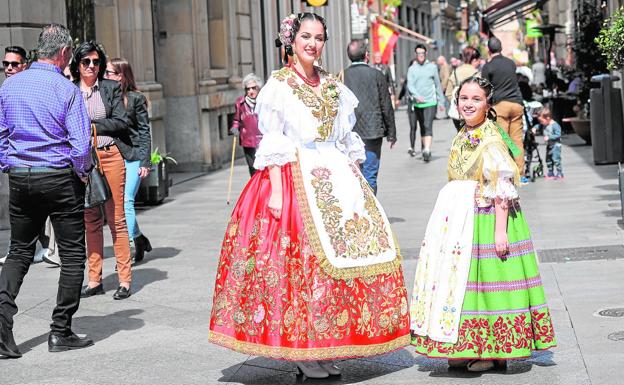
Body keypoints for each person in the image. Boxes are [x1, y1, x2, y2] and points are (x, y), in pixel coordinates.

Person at [208, 13, 410, 379]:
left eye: (318, 37)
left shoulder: (333, 85)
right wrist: (278, 192)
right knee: (299, 264)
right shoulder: (279, 85)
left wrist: (356, 179)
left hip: (335, 174)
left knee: (337, 264)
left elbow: (347, 137)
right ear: (292, 40)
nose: (312, 44)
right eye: (305, 36)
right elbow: (275, 139)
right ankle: (302, 347)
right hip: (295, 174)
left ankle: (325, 343)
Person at [409, 76, 556, 371]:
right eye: (464, 98)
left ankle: (491, 352)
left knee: (487, 281)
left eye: (476, 99)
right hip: (458, 218)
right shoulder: (465, 132)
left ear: (488, 103)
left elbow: (501, 184)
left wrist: (500, 231)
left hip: (484, 215)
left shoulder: (490, 137)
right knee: (465, 283)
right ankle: (471, 344)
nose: (468, 104)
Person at [0, 23, 94, 357]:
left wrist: (9, 163)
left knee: (19, 251)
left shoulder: (10, 86)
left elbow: (0, 134)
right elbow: (81, 145)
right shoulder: (66, 89)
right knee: (71, 254)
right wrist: (82, 173)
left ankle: (1, 323)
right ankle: (60, 330)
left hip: (21, 177)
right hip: (58, 177)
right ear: (65, 52)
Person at [72, 42, 133, 301]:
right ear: (77, 64)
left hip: (110, 158)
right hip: (82, 161)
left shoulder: (109, 88)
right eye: (86, 62)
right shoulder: (70, 90)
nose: (92, 67)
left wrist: (92, 125)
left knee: (116, 218)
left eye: (96, 62)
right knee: (90, 221)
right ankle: (94, 279)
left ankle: (124, 280)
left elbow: (122, 121)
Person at [104, 58, 153, 264]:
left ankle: (129, 249)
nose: (105, 76)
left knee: (126, 203)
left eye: (109, 73)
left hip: (133, 157)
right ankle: (139, 238)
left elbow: (144, 131)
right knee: (116, 205)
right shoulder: (105, 97)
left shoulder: (135, 99)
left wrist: (145, 162)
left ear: (121, 75)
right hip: (112, 156)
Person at [343, 39, 396, 194]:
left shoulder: (341, 76)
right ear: (366, 55)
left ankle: (359, 210)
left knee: (354, 174)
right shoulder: (377, 75)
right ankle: (371, 213)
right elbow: (386, 105)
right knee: (370, 174)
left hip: (350, 133)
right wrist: (391, 133)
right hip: (372, 131)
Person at [481, 36, 525, 173]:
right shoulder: (511, 63)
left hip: (500, 106)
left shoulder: (488, 67)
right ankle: (520, 171)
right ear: (501, 48)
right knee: (516, 140)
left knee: (503, 140)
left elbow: (485, 89)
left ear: (489, 50)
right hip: (517, 104)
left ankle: (505, 172)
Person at [406, 44, 445, 162]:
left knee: (428, 125)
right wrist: (417, 96)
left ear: (426, 53)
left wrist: (441, 102)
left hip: (430, 102)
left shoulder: (432, 67)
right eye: (418, 53)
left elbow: (438, 85)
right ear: (416, 54)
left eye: (422, 53)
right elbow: (410, 85)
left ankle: (427, 149)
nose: (421, 55)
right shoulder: (412, 69)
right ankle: (424, 149)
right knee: (422, 127)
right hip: (417, 103)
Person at [230, 73, 263, 176]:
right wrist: (234, 128)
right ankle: (255, 190)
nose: (251, 91)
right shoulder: (240, 103)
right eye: (248, 89)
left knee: (263, 166)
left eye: (253, 88)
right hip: (248, 139)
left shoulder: (264, 101)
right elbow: (237, 119)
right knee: (252, 166)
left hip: (263, 139)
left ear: (258, 88)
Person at [446, 46, 481, 131]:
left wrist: (459, 103)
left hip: (458, 114)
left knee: (461, 136)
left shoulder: (455, 72)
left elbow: (448, 93)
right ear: (474, 60)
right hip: (474, 112)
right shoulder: (476, 73)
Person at [537, 107, 563, 180]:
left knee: (556, 159)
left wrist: (549, 137)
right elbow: (539, 126)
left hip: (556, 145)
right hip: (549, 145)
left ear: (548, 118)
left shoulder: (555, 125)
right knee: (548, 159)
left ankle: (559, 172)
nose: (541, 123)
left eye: (541, 121)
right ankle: (550, 172)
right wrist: (535, 128)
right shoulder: (545, 124)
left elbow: (558, 135)